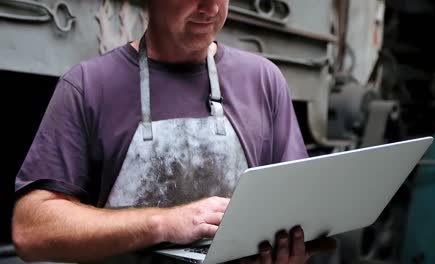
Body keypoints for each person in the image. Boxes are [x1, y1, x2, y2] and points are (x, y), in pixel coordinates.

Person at [12, 0, 336, 263]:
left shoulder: (264, 80)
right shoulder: (87, 86)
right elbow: (32, 229)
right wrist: (166, 223)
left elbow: (295, 209)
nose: (210, 8)